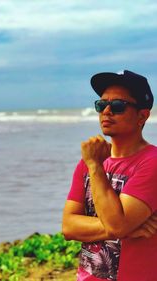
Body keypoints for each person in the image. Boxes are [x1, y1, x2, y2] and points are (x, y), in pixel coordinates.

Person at [62, 70, 157, 281]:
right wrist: (126, 229)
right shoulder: (88, 161)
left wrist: (95, 166)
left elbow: (116, 225)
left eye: (117, 106)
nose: (106, 111)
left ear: (142, 115)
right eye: (101, 104)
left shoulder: (151, 162)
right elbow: (69, 226)